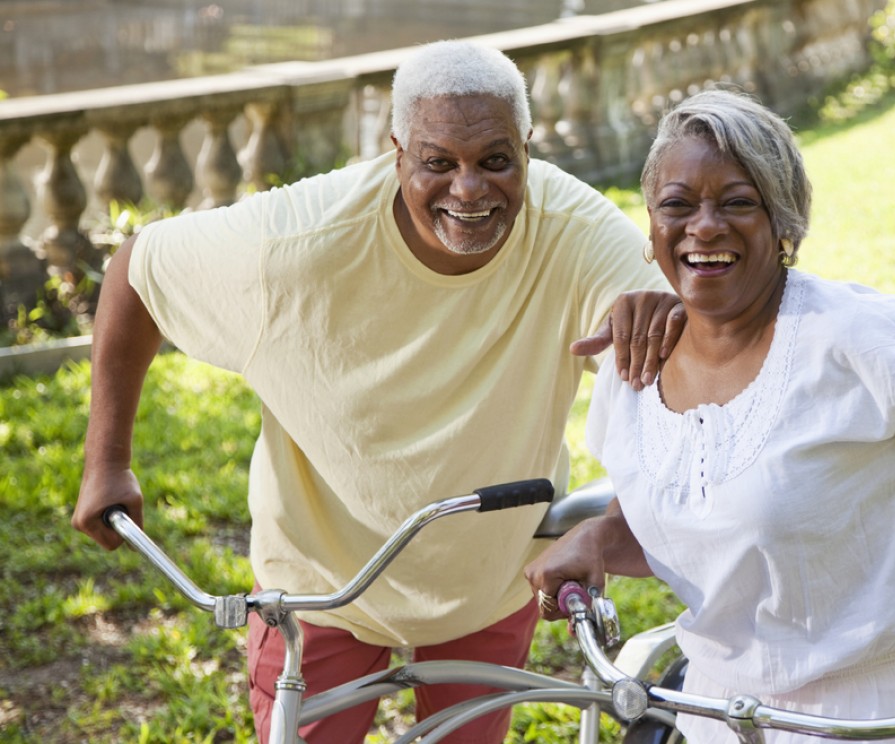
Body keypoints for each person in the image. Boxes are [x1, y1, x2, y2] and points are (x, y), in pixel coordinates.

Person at [71, 40, 683, 743]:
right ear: (396, 152)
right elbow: (136, 274)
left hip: (484, 582)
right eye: (438, 163)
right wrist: (106, 463)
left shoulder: (571, 229)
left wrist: (659, 325)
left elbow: (679, 346)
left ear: (526, 147)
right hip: (320, 585)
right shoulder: (296, 243)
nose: (470, 190)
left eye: (495, 160)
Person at [524, 89, 895, 743]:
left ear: (785, 223)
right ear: (650, 227)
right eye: (678, 205)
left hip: (884, 720)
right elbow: (704, 516)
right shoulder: (633, 368)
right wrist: (598, 537)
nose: (704, 226)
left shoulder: (858, 340)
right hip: (718, 718)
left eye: (737, 202)